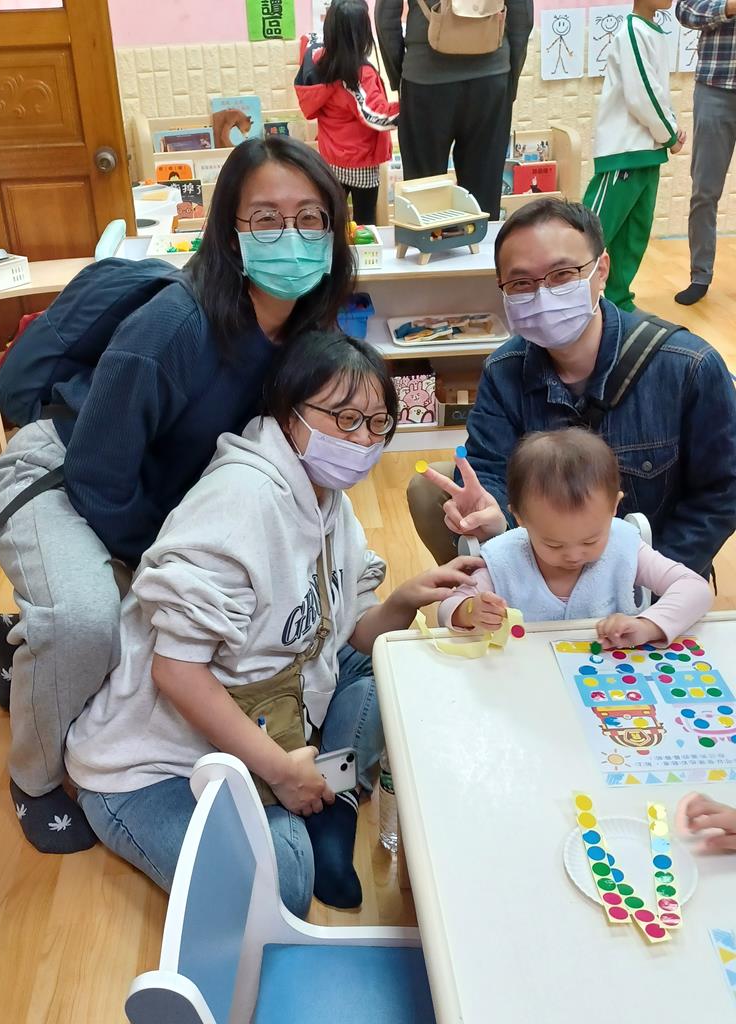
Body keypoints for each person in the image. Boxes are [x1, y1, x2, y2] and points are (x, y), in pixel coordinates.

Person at [0, 135, 355, 856]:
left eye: (311, 218)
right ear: (229, 231)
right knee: (90, 621)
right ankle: (33, 777)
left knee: (212, 613)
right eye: (266, 218)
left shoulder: (305, 332)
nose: (292, 236)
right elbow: (97, 472)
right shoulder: (175, 324)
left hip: (147, 489)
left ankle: (21, 644)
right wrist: (162, 563)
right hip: (59, 473)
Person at [64, 331, 482, 916]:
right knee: (284, 883)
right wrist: (281, 772)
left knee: (389, 665)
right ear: (289, 414)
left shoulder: (328, 496)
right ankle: (310, 797)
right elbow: (176, 671)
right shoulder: (241, 504)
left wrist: (402, 601)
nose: (363, 441)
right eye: (345, 419)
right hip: (155, 763)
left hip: (273, 703)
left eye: (377, 424)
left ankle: (325, 804)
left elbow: (347, 631)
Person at [407, 198, 736, 577]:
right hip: (543, 570)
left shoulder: (688, 367)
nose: (542, 294)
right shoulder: (503, 370)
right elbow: (489, 468)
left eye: (562, 274)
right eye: (521, 283)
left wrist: (654, 580)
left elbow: (721, 492)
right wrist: (493, 513)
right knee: (431, 488)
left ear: (601, 270)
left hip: (648, 573)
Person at [438, 430, 712, 646]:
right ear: (520, 518)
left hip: (608, 684)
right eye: (553, 544)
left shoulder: (624, 545)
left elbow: (695, 588)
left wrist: (648, 625)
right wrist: (469, 610)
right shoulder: (504, 558)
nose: (573, 555)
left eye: (590, 541)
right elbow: (446, 608)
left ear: (614, 508)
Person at [375, 0, 533, 219]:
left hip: (424, 78)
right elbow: (523, 15)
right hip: (491, 76)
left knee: (425, 195)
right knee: (483, 197)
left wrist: (401, 76)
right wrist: (509, 77)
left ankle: (428, 239)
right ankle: (482, 240)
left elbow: (385, 17)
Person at [584, 0, 686, 312]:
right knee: (592, 230)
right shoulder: (632, 30)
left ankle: (618, 301)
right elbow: (641, 93)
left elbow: (659, 92)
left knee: (633, 234)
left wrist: (671, 128)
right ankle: (569, 295)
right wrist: (669, 134)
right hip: (624, 150)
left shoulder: (654, 31)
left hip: (648, 152)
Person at [294, 0, 399, 224]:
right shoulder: (359, 74)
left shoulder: (317, 61)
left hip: (330, 160)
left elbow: (307, 43)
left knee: (333, 221)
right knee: (364, 224)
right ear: (362, 33)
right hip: (361, 161)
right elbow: (377, 115)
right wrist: (410, 108)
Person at [674, 0, 736, 305]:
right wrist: (729, 7)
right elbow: (685, 10)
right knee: (704, 190)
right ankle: (700, 275)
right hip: (715, 87)